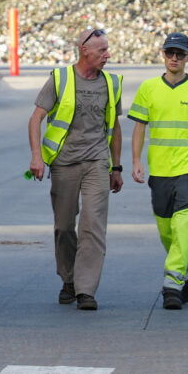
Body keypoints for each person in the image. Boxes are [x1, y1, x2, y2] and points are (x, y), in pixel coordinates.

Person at [27, 27, 123, 311]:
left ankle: (85, 290)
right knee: (65, 226)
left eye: (107, 49)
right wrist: (37, 157)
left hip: (97, 163)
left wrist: (116, 167)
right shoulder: (60, 79)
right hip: (64, 163)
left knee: (93, 226)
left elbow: (115, 127)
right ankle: (68, 279)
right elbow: (35, 120)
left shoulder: (112, 83)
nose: (107, 55)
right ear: (84, 50)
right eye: (102, 50)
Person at [129, 32, 188, 310]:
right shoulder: (148, 88)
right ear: (162, 54)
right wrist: (136, 161)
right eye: (170, 52)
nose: (174, 58)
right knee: (166, 230)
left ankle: (172, 285)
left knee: (183, 225)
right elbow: (139, 127)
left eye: (180, 54)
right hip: (159, 172)